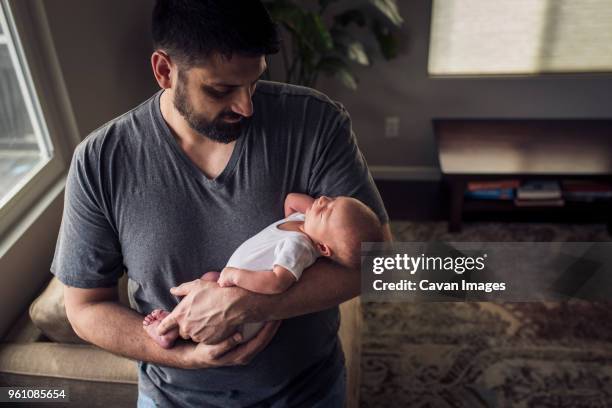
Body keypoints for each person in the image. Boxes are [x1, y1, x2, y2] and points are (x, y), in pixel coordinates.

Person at [51, 0, 391, 406]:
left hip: (307, 393)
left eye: (254, 82)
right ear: (164, 71)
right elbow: (85, 308)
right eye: (221, 88)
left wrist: (246, 304)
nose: (246, 105)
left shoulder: (315, 123)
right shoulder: (100, 161)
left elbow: (379, 262)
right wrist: (186, 356)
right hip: (172, 398)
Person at [143, 193, 383, 349]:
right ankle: (173, 322)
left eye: (325, 211)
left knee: (208, 299)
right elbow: (291, 200)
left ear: (322, 247)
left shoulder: (299, 246)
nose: (321, 200)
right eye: (331, 199)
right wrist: (316, 211)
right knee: (207, 282)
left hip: (242, 321)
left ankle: (170, 332)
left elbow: (277, 282)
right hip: (227, 286)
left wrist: (238, 276)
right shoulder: (304, 222)